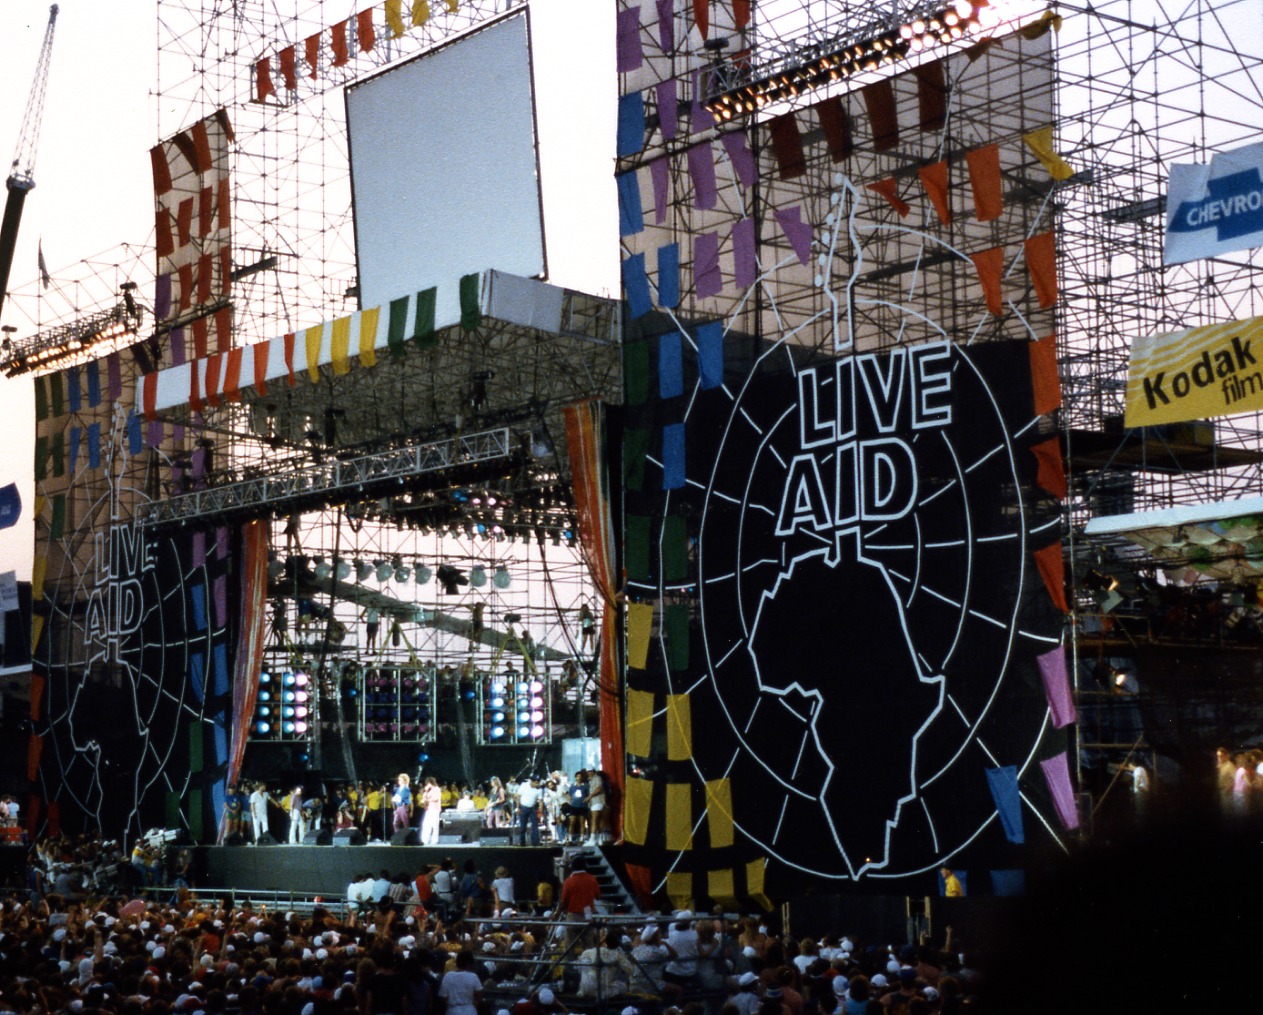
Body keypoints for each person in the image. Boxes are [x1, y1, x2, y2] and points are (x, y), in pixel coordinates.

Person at [437, 950, 484, 1015]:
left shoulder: (448, 976)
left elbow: (443, 997)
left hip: (452, 1010)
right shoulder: (473, 977)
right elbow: (480, 997)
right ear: (470, 964)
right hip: (469, 1010)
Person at [517, 777, 541, 846]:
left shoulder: (538, 790)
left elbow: (540, 800)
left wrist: (540, 809)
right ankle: (522, 842)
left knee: (535, 825)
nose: (537, 784)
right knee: (523, 826)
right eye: (536, 782)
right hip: (523, 807)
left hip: (532, 808)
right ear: (532, 781)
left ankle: (535, 842)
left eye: (538, 782)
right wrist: (518, 807)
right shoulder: (524, 785)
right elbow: (518, 796)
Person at [420, 776, 443, 845]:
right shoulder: (428, 790)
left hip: (435, 809)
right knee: (426, 824)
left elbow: (435, 799)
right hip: (428, 809)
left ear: (431, 782)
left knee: (434, 825)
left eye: (428, 783)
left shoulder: (436, 789)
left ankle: (435, 840)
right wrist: (426, 791)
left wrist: (426, 800)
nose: (427, 785)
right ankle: (425, 839)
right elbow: (423, 797)